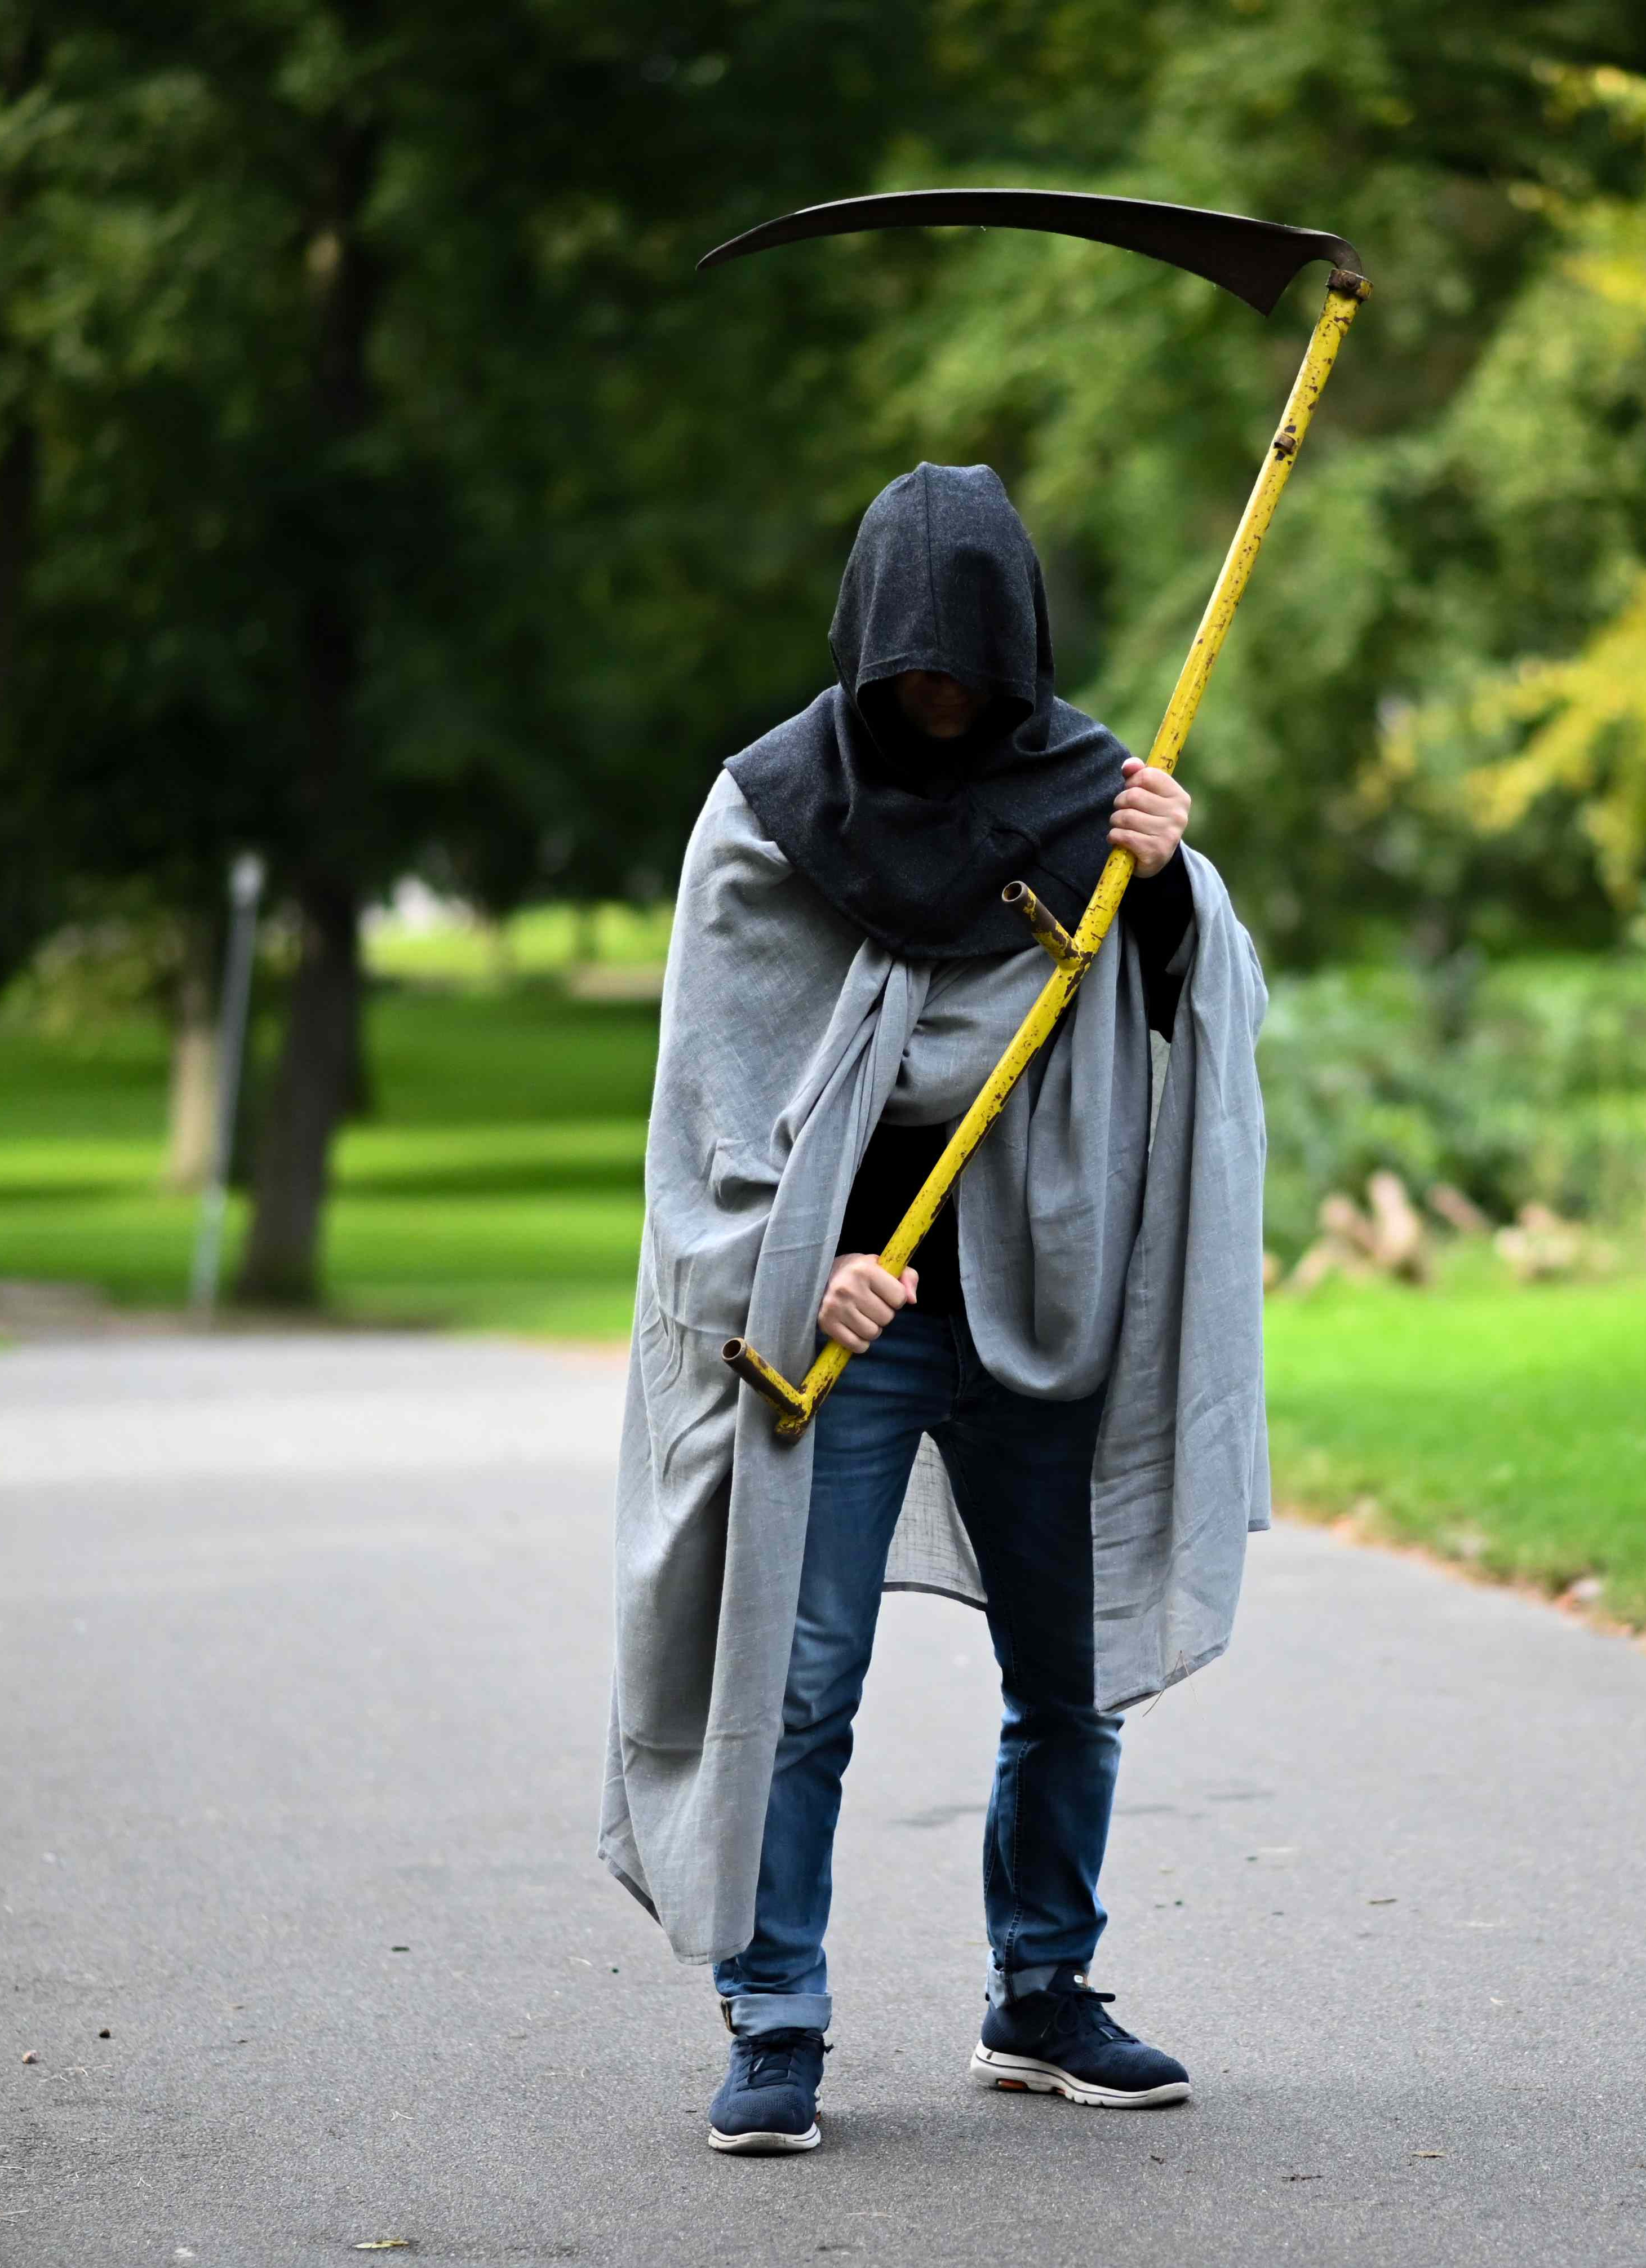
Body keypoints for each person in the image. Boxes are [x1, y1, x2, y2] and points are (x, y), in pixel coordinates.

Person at [600, 462, 1273, 2157]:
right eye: (915, 673)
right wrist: (800, 1261)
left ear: (1018, 653)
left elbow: (1197, 1006)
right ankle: (774, 2015)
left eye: (971, 672)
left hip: (1041, 1287)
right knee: (800, 1670)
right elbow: (711, 1096)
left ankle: (1042, 1992)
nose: (945, 702)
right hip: (845, 1307)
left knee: (1070, 1668)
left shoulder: (1094, 792)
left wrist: (1164, 881)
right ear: (866, 650)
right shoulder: (770, 812)